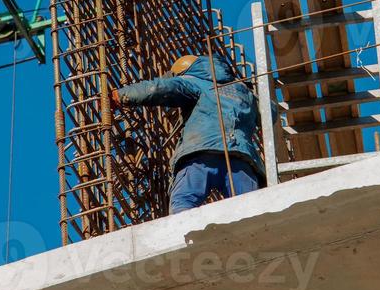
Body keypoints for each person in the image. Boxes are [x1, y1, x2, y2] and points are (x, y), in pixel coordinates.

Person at [110, 54, 264, 215]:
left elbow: (159, 89)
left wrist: (120, 95)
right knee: (250, 212)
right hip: (242, 160)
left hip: (201, 155)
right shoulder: (245, 93)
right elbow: (270, 113)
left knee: (183, 207)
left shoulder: (195, 81)